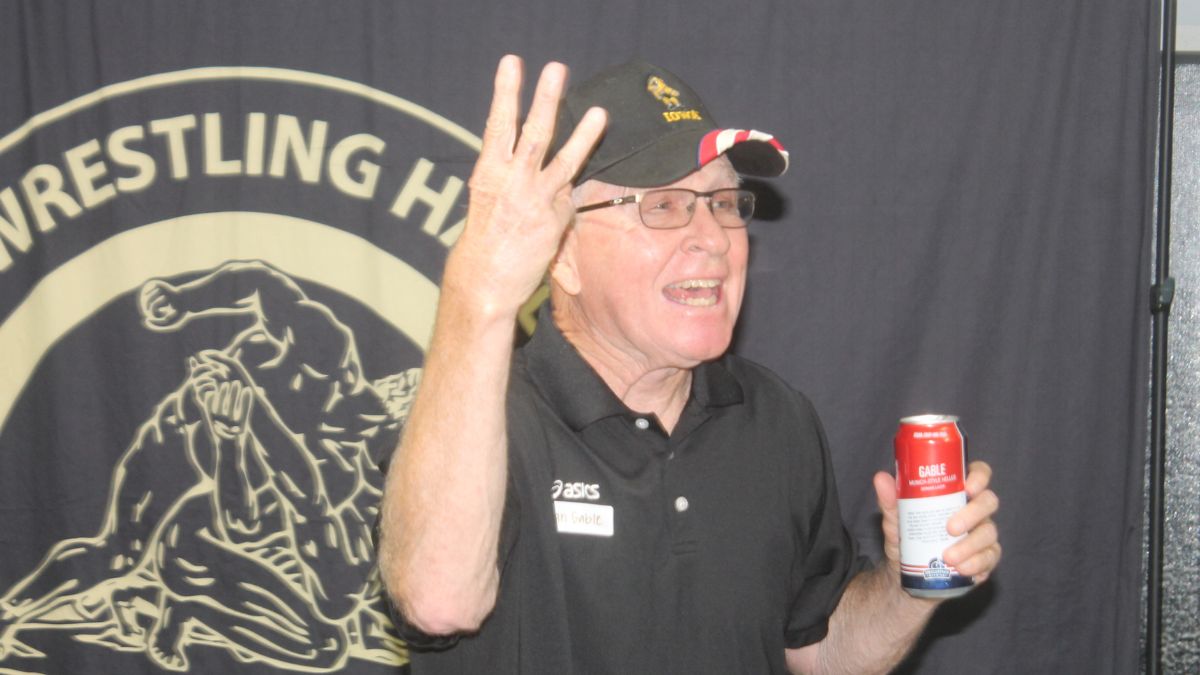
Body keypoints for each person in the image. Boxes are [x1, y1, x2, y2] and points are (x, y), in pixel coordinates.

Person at [377, 56, 1001, 674]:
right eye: (665, 205)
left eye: (725, 202)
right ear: (561, 251)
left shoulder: (775, 420)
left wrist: (909, 581)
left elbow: (819, 652)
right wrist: (476, 296)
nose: (712, 236)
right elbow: (438, 601)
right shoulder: (479, 417)